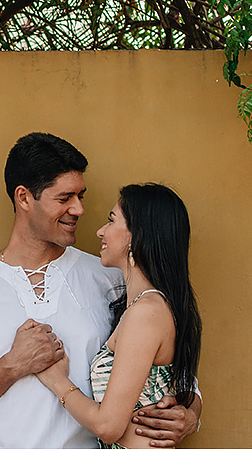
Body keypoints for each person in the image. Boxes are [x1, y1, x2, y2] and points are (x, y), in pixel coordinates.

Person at [0, 133, 201, 448]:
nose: (78, 209)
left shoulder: (111, 279)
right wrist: (12, 364)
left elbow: (165, 370)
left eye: (81, 196)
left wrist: (189, 414)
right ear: (24, 198)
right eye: (64, 199)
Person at [36, 183, 202, 448]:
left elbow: (108, 426)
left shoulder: (146, 313)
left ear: (137, 237)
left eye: (111, 221)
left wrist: (56, 380)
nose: (100, 231)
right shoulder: (144, 306)